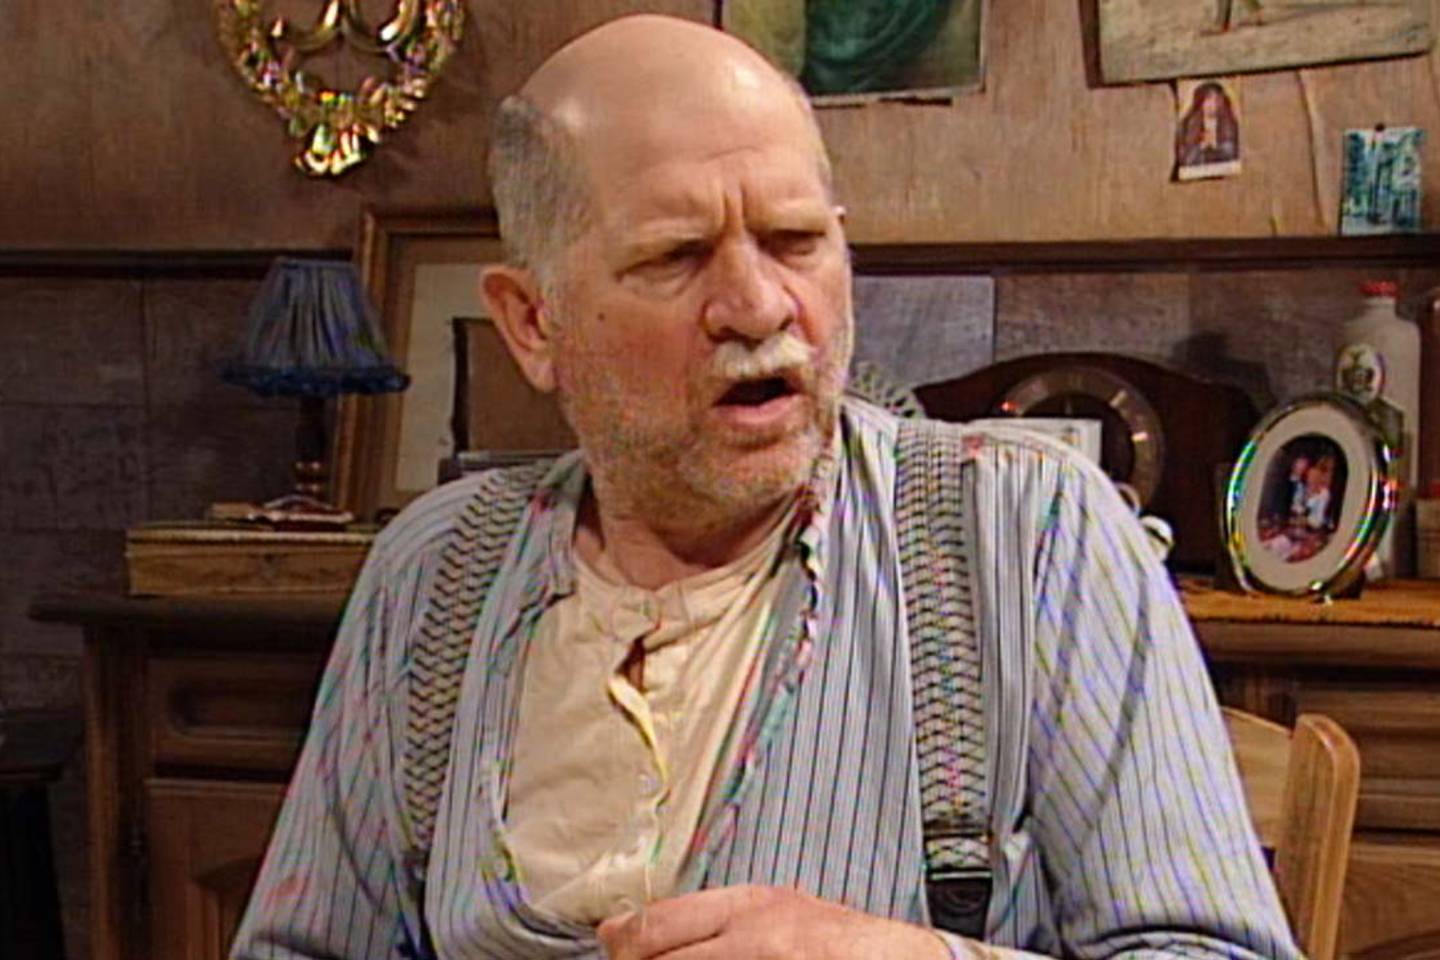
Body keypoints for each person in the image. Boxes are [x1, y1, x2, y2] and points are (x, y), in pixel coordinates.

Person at [233, 14, 1300, 960]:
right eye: (674, 257)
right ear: (533, 322)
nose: (757, 306)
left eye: (797, 241)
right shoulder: (433, 573)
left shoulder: (1027, 535)